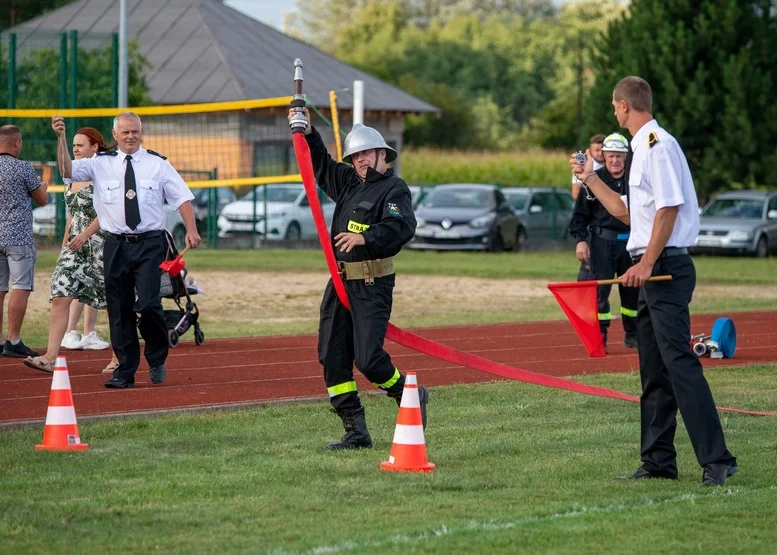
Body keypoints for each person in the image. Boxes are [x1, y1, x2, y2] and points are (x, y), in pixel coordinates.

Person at [570, 76, 737, 486]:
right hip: (653, 270)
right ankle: (659, 460)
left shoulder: (655, 145)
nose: (613, 111)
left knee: (679, 364)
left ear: (625, 106)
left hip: (664, 268)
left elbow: (669, 208)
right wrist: (591, 178)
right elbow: (631, 213)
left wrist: (646, 262)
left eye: (614, 105)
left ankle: (718, 461)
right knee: (654, 371)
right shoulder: (643, 150)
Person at [289, 107, 426, 450]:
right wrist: (305, 131)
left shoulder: (394, 189)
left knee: (368, 360)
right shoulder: (349, 182)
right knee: (332, 358)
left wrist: (366, 238)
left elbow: (402, 227)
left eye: (367, 153)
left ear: (383, 154)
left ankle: (407, 392)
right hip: (339, 284)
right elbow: (320, 163)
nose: (362, 160)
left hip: (371, 284)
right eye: (356, 156)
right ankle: (355, 431)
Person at [52, 112, 201, 389]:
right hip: (115, 244)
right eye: (125, 132)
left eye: (135, 131)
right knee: (119, 310)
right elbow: (67, 171)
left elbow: (182, 198)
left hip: (149, 243)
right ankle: (125, 370)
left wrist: (191, 229)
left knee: (148, 305)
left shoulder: (158, 164)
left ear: (141, 133)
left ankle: (156, 358)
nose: (130, 136)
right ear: (115, 135)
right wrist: (61, 138)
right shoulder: (99, 164)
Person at [23, 128, 119, 374]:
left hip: (101, 243)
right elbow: (72, 215)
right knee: (61, 294)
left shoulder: (103, 172)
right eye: (73, 145)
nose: (76, 149)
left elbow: (109, 212)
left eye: (80, 145)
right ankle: (50, 356)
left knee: (111, 301)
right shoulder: (71, 175)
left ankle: (120, 357)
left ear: (95, 147)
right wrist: (64, 245)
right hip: (74, 246)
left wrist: (86, 234)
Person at [569, 132, 638, 352]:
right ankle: (601, 335)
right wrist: (581, 241)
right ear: (604, 156)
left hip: (631, 245)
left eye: (619, 156)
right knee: (600, 294)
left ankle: (633, 335)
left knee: (633, 292)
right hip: (601, 244)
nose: (615, 160)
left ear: (626, 157)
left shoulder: (636, 181)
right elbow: (579, 217)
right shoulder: (592, 181)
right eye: (611, 156)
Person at [0, 125, 48, 358]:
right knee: (20, 286)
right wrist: (43, 188)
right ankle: (14, 339)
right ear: (17, 143)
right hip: (18, 237)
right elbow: (42, 200)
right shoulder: (22, 168)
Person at [573, 134, 606, 281]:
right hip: (592, 221)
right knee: (589, 265)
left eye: (602, 150)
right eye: (596, 150)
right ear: (590, 151)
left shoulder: (612, 168)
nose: (599, 153)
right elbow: (576, 194)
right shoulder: (583, 168)